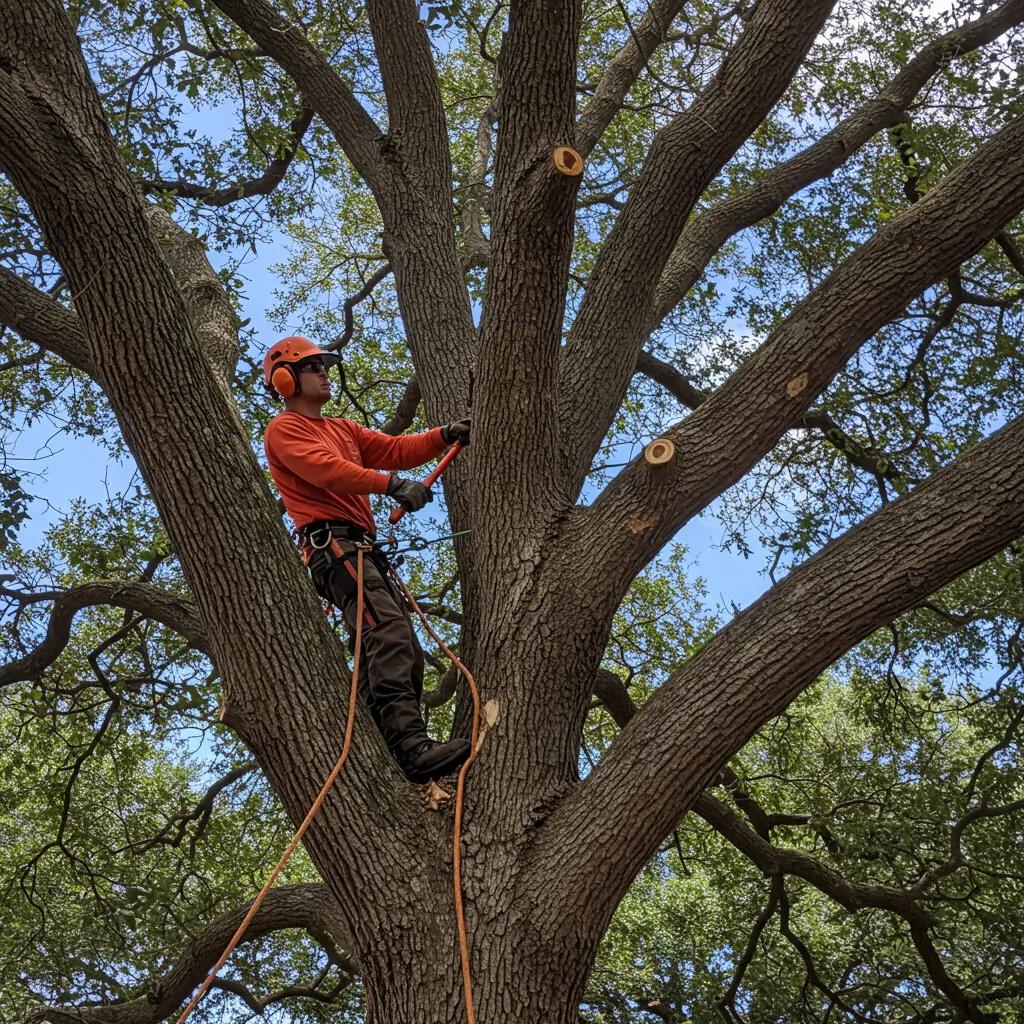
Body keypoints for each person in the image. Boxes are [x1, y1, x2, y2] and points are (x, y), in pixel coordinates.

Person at [262, 335, 471, 783]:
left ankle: (374, 741)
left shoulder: (343, 429)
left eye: (324, 365)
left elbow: (395, 449)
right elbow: (325, 469)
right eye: (312, 366)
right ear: (285, 379)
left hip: (359, 549)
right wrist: (393, 486)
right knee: (389, 632)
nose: (323, 372)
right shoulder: (286, 429)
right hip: (333, 548)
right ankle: (411, 749)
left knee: (403, 646)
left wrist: (443, 435)